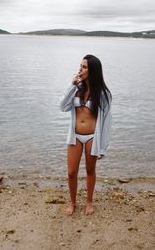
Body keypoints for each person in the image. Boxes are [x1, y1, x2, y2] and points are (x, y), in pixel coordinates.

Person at [60, 54, 112, 215]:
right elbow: (63, 106)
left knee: (90, 170)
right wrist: (72, 85)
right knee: (71, 172)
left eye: (84, 67)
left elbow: (107, 122)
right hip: (75, 136)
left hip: (91, 137)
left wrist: (102, 147)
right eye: (80, 66)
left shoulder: (103, 94)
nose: (80, 69)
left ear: (93, 71)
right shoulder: (77, 89)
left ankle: (89, 202)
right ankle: (72, 202)